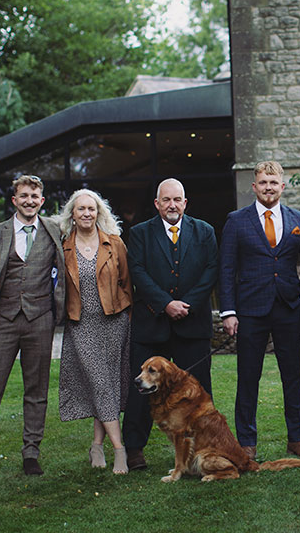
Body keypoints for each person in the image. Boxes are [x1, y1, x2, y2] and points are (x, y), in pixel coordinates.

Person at [0, 175, 65, 483]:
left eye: (35, 196)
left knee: (36, 391)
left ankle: (31, 453)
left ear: (42, 200)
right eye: (24, 196)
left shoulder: (53, 230)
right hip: (3, 322)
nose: (30, 201)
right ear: (14, 200)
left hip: (40, 321)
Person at [219, 160, 300, 460]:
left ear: (282, 186)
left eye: (274, 183)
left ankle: (298, 439)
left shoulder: (298, 218)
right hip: (250, 309)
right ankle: (246, 444)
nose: (268, 188)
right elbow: (226, 269)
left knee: (294, 376)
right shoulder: (236, 220)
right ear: (255, 186)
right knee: (248, 377)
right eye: (263, 183)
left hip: (289, 307)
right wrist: (228, 312)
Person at [123, 178, 218, 471]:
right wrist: (166, 304)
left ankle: (205, 446)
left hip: (193, 324)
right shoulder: (139, 234)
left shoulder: (204, 231)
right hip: (152, 325)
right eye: (166, 200)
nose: (172, 205)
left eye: (177, 200)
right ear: (157, 204)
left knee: (198, 391)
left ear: (185, 203)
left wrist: (185, 304)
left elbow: (211, 270)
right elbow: (137, 271)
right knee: (141, 389)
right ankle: (135, 449)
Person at [56, 189, 132, 475]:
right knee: (100, 383)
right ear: (72, 215)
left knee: (109, 386)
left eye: (92, 208)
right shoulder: (63, 247)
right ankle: (119, 449)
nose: (86, 213)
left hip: (114, 322)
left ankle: (97, 445)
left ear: (99, 212)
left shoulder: (114, 243)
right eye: (81, 209)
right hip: (81, 324)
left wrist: (126, 316)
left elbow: (127, 281)